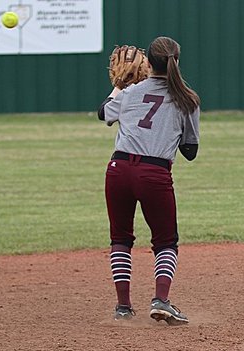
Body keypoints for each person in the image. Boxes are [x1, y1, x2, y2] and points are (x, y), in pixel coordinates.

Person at [97, 36, 200, 325]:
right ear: (176, 62)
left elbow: (103, 113)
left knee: (120, 238)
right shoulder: (187, 99)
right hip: (154, 173)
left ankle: (123, 307)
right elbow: (190, 151)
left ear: (149, 64)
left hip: (117, 170)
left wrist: (120, 85)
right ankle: (161, 300)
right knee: (166, 242)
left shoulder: (129, 93)